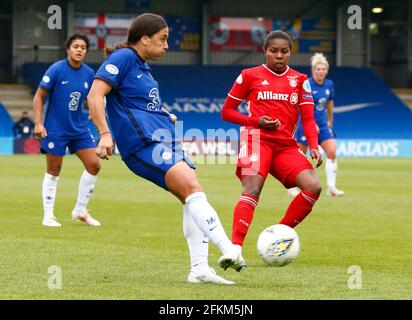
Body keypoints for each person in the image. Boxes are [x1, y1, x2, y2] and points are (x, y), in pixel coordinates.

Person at [87, 13, 243, 285]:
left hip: (163, 138)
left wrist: (164, 113)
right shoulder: (123, 58)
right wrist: (104, 134)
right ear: (144, 39)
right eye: (163, 39)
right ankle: (228, 249)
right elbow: (95, 94)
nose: (167, 45)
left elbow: (139, 103)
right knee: (192, 186)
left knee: (190, 196)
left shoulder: (143, 68)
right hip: (143, 143)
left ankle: (199, 269)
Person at [221, 30, 323, 268]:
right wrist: (255, 122)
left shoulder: (300, 80)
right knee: (253, 186)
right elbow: (227, 112)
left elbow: (308, 118)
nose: (279, 56)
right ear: (265, 51)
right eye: (273, 51)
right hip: (256, 138)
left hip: (285, 145)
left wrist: (314, 145)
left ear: (290, 53)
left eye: (284, 51)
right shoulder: (249, 75)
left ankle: (279, 236)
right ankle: (234, 249)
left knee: (314, 186)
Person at [33, 33, 101, 227]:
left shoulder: (89, 73)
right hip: (56, 129)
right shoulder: (56, 69)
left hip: (78, 128)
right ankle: (48, 216)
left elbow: (89, 100)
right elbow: (39, 97)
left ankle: (80, 210)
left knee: (94, 165)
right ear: (68, 49)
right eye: (76, 46)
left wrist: (93, 110)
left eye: (83, 47)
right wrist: (38, 123)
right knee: (54, 170)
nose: (79, 50)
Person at [288, 53, 344, 197]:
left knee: (332, 151)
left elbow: (329, 103)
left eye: (323, 69)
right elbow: (300, 106)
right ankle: (292, 186)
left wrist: (330, 120)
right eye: (317, 69)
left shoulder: (329, 85)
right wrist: (311, 124)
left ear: (326, 70)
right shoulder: (307, 84)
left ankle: (331, 188)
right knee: (300, 156)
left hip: (322, 124)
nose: (320, 71)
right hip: (306, 123)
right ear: (313, 70)